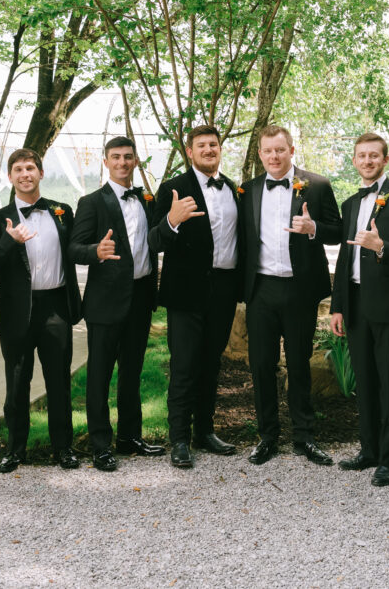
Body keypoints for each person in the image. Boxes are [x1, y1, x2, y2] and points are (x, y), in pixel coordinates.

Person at [239, 125, 341, 466]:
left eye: (280, 150)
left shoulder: (318, 185)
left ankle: (304, 436)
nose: (274, 156)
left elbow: (337, 231)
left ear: (291, 150)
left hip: (300, 289)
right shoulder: (249, 189)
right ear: (260, 154)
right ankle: (267, 436)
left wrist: (315, 229)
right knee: (262, 366)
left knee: (299, 363)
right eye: (267, 151)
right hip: (261, 290)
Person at [329, 132, 389, 486]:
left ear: (384, 160)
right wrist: (338, 306)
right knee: (365, 383)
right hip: (355, 305)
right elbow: (344, 257)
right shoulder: (351, 203)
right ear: (355, 161)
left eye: (374, 156)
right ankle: (368, 450)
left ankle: (388, 459)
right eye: (361, 156)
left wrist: (383, 248)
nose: (367, 161)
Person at [68, 136, 165, 471]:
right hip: (105, 302)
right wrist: (95, 251)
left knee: (132, 373)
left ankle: (129, 437)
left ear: (135, 161)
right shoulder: (92, 202)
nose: (122, 163)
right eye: (116, 157)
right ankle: (100, 445)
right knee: (99, 376)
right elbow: (74, 247)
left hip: (140, 297)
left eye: (128, 157)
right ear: (106, 162)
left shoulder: (147, 200)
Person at [0, 149, 82, 473]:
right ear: (10, 177)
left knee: (59, 383)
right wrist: (8, 241)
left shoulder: (62, 212)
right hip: (16, 310)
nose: (25, 174)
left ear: (40, 173)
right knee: (17, 383)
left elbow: (76, 250)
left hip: (55, 306)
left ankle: (63, 448)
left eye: (30, 168)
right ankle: (15, 450)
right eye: (18, 169)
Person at [149, 124, 241, 468]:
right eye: (201, 145)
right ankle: (180, 440)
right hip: (186, 294)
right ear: (190, 152)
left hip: (224, 291)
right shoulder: (173, 188)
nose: (208, 149)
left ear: (220, 149)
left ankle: (205, 430)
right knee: (185, 366)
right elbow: (153, 242)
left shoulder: (233, 189)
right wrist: (171, 222)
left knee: (211, 364)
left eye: (213, 144)